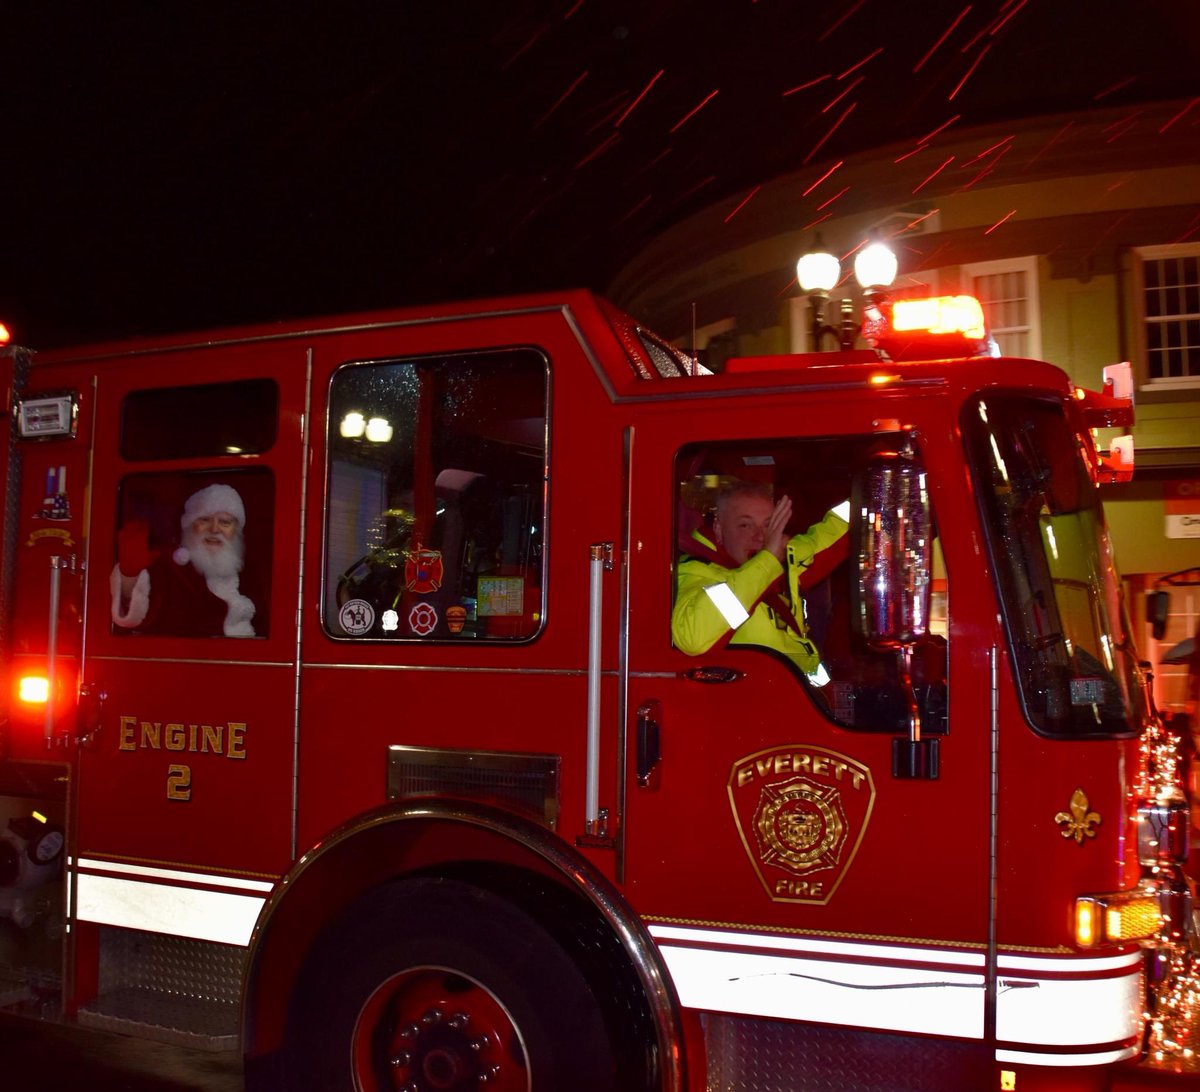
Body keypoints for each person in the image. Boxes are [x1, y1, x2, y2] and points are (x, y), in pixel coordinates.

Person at [671, 481, 849, 680]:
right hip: (751, 704)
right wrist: (768, 561)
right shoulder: (696, 572)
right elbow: (693, 637)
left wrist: (873, 492)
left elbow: (833, 532)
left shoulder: (780, 555)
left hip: (800, 700)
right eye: (745, 525)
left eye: (768, 525)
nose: (761, 537)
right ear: (719, 530)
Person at [110, 483, 257, 637]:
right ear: (189, 525)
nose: (214, 529)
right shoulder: (170, 567)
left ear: (236, 530)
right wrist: (130, 576)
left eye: (225, 522)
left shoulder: (252, 574)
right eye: (204, 520)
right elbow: (141, 616)